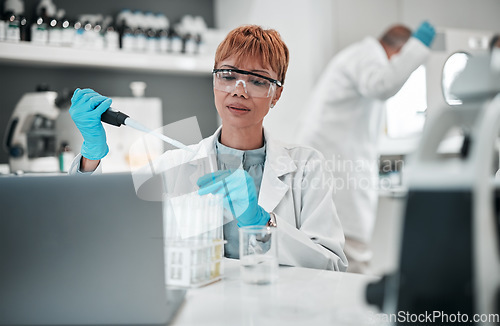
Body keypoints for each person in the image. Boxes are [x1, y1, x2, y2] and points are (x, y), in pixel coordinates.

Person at [68, 25, 348, 271]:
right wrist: (92, 154)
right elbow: (97, 224)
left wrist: (264, 223)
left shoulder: (307, 166)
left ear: (276, 94)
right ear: (214, 81)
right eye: (228, 75)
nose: (239, 90)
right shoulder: (174, 164)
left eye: (258, 81)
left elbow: (332, 265)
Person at [297, 21, 436, 273]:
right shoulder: (367, 55)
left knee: (341, 253)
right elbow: (382, 84)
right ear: (399, 52)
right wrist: (418, 48)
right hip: (335, 170)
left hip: (333, 164)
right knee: (351, 256)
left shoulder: (357, 56)